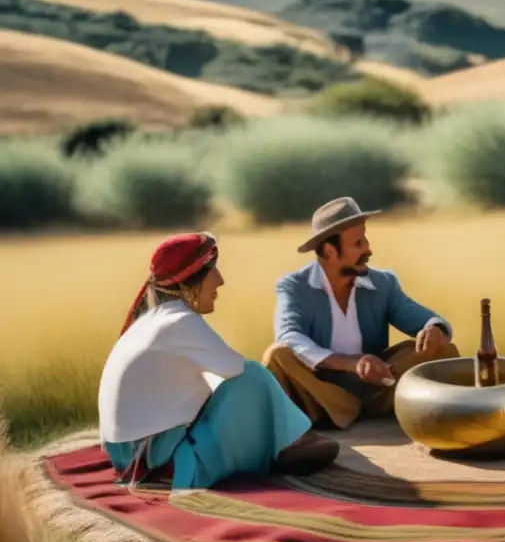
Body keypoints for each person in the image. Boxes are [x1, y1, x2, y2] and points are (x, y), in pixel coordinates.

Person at [98, 232, 339, 491]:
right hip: (166, 464)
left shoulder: (150, 320)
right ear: (190, 282)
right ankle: (291, 443)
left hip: (127, 456)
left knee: (228, 386)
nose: (221, 280)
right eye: (212, 269)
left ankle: (291, 440)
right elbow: (235, 369)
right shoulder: (181, 321)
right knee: (253, 375)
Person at [262, 197, 460, 430]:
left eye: (365, 239)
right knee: (277, 354)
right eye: (357, 243)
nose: (368, 249)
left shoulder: (383, 283)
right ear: (329, 251)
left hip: (377, 385)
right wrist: (350, 363)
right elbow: (288, 336)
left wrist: (433, 329)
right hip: (321, 390)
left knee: (443, 348)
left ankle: (357, 409)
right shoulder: (294, 286)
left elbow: (421, 317)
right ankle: (339, 410)